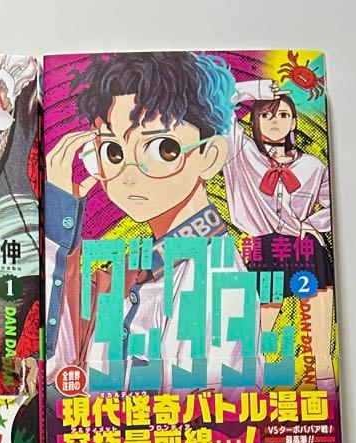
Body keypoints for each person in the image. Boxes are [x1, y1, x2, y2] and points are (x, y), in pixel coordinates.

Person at [44, 52, 262, 395]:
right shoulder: (130, 270)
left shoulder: (216, 278)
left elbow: (211, 415)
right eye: (113, 152)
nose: (128, 175)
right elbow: (60, 372)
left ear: (209, 156)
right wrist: (60, 221)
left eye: (163, 149)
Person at [222, 84, 335, 386]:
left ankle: (325, 399)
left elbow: (336, 203)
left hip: (304, 250)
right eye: (266, 115)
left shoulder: (313, 166)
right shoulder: (241, 152)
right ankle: (243, 402)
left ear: (294, 121)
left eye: (283, 114)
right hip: (264, 251)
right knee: (250, 345)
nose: (275, 121)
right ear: (254, 120)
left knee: (320, 349)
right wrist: (259, 89)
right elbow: (221, 100)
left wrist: (311, 224)